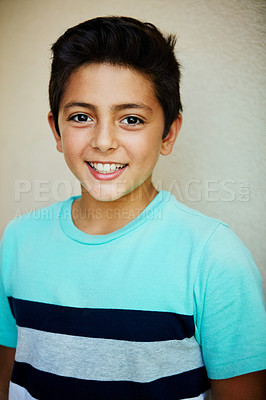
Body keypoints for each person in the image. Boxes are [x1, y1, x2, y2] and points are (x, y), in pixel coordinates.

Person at [0, 16, 265, 400]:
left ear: (168, 133)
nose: (104, 141)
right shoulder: (18, 241)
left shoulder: (214, 257)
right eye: (80, 117)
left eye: (131, 119)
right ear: (56, 130)